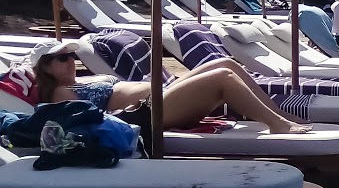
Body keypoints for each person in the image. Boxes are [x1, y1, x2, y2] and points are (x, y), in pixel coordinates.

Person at [16, 39, 308, 134]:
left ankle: (283, 117)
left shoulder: (75, 82)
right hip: (147, 113)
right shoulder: (57, 94)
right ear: (44, 67)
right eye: (63, 57)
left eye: (72, 54)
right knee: (223, 80)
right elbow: (86, 120)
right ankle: (278, 125)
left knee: (227, 64)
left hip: (160, 98)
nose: (71, 60)